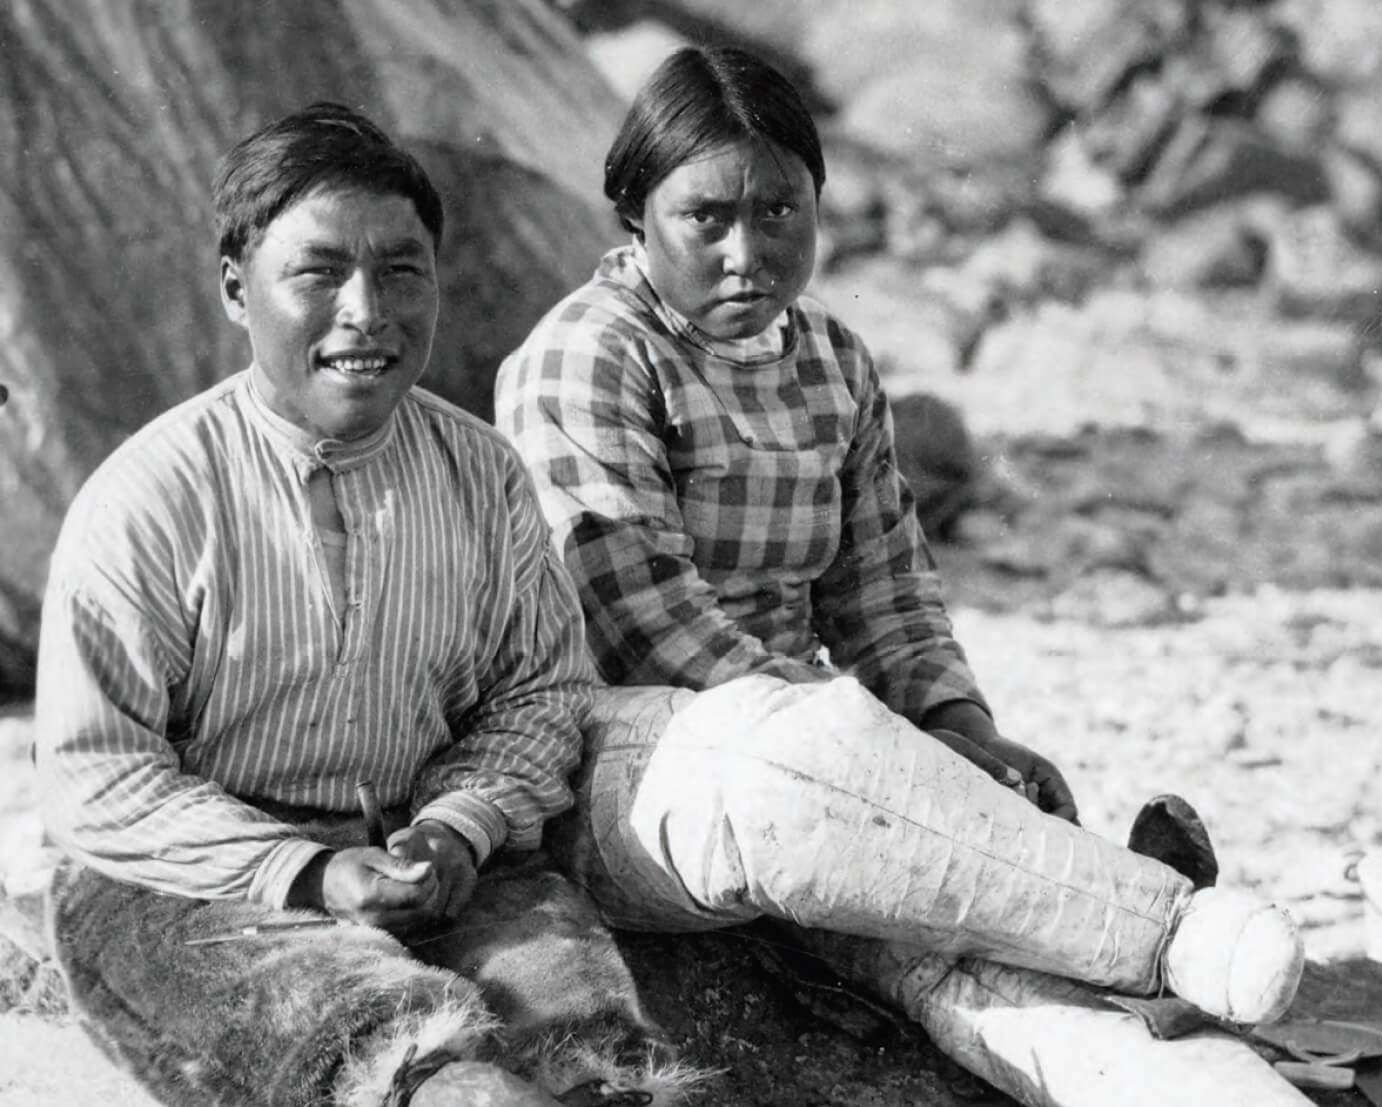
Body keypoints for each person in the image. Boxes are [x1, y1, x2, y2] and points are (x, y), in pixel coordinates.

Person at [498, 45, 1307, 1105]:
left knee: (957, 958)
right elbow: (645, 623)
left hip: (827, 759)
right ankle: (1162, 922)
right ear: (633, 215)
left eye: (780, 212)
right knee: (830, 797)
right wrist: (892, 763)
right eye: (706, 219)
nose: (747, 252)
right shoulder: (590, 356)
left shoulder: (829, 357)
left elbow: (885, 591)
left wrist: (954, 724)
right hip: (641, 761)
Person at [34, 103, 694, 1107]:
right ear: (233, 289)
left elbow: (540, 694)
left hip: (423, 859)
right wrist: (304, 872)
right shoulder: (150, 497)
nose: (365, 310)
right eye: (318, 272)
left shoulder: (481, 474)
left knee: (592, 1055)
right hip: (187, 887)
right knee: (422, 1070)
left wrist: (457, 828)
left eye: (401, 270)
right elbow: (101, 780)